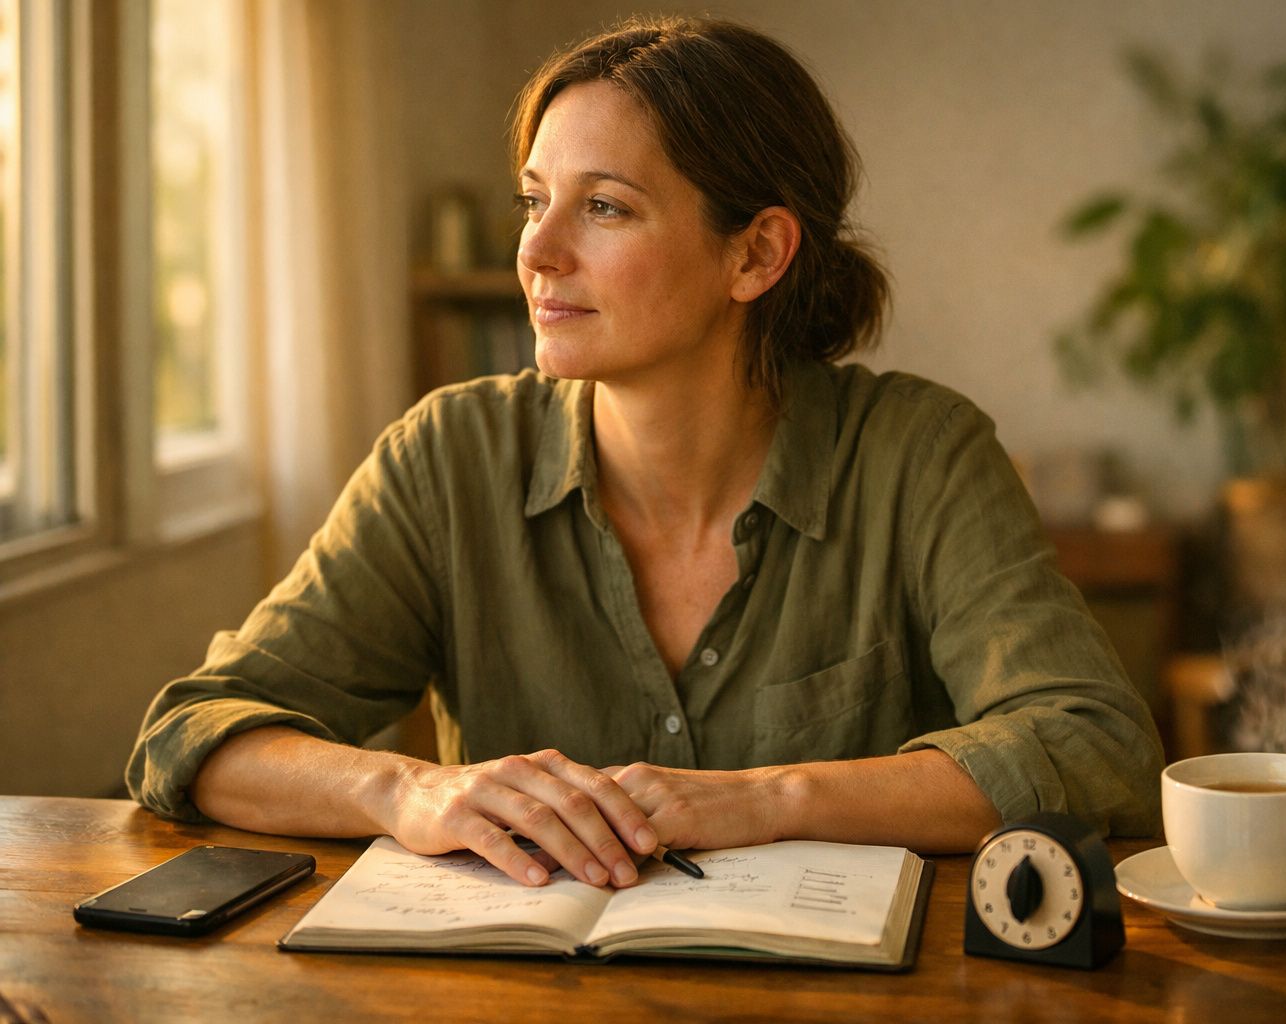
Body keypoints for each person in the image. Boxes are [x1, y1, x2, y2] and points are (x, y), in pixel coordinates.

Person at [127, 16, 1162, 891]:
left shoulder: (921, 454)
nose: (535, 251)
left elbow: (1096, 745)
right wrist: (408, 787)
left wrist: (767, 799)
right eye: (537, 199)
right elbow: (194, 733)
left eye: (605, 207)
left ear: (756, 252)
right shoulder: (448, 457)